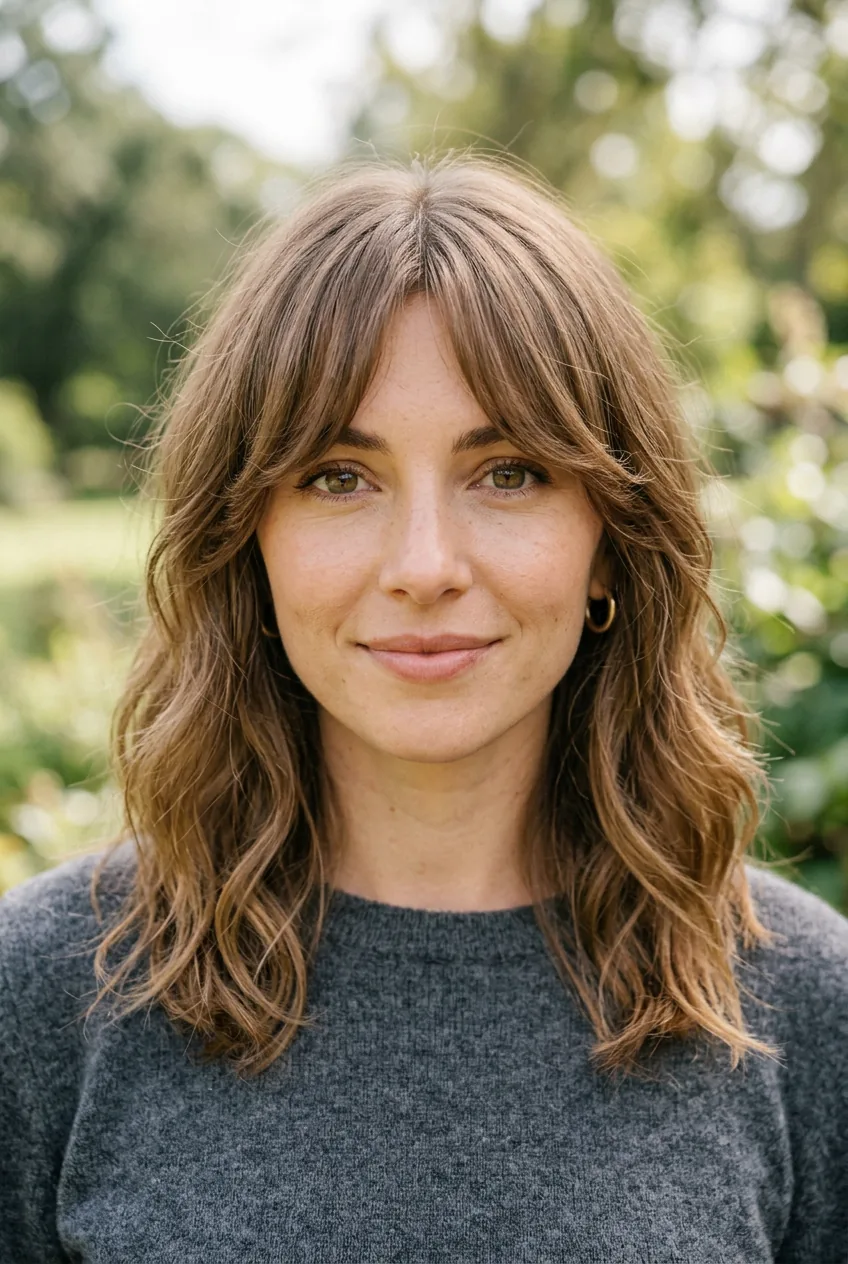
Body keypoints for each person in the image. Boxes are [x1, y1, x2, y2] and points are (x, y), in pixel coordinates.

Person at [1, 154, 846, 1264]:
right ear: (246, 543)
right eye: (337, 478)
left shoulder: (804, 1008)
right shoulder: (44, 993)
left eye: (508, 472)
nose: (424, 566)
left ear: (611, 541)